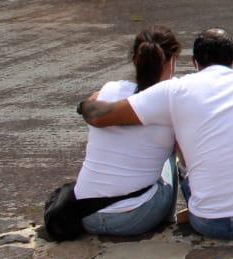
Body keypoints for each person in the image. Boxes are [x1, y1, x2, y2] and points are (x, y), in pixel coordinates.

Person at [78, 28, 233, 241]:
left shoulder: (173, 91)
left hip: (208, 222)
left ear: (194, 63)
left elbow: (99, 116)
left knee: (183, 161)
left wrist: (85, 104)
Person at [73, 28, 181, 236]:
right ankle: (170, 219)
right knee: (171, 155)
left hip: (87, 214)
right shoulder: (173, 98)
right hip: (134, 217)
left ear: (134, 59)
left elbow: (91, 106)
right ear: (172, 61)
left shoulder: (109, 89)